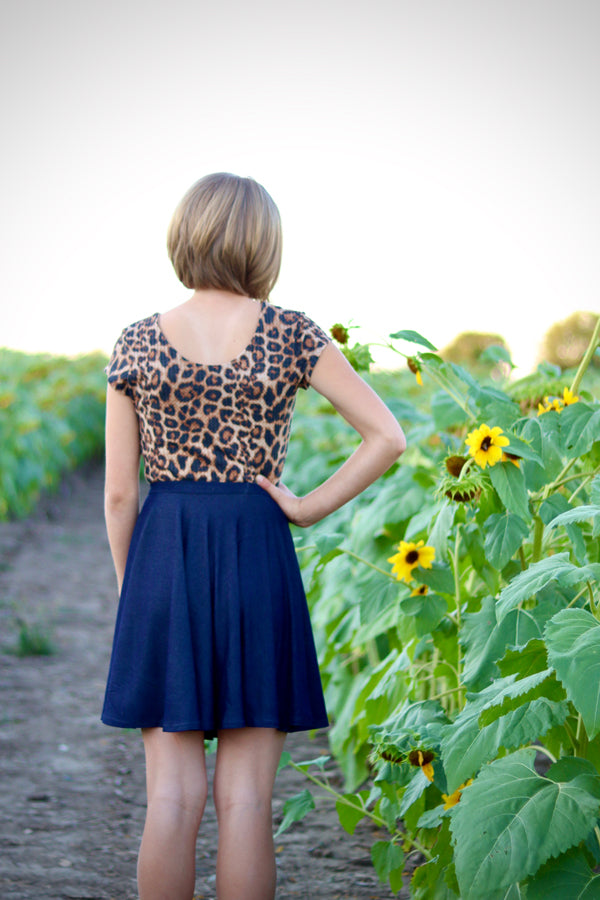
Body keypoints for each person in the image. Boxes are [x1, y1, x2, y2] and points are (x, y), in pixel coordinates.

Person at [101, 172, 406, 900]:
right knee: (246, 804)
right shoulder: (294, 333)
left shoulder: (137, 341)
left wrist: (137, 594)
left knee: (171, 801)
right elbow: (386, 436)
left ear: (185, 237)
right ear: (265, 245)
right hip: (257, 556)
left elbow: (118, 494)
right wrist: (306, 507)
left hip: (164, 555)